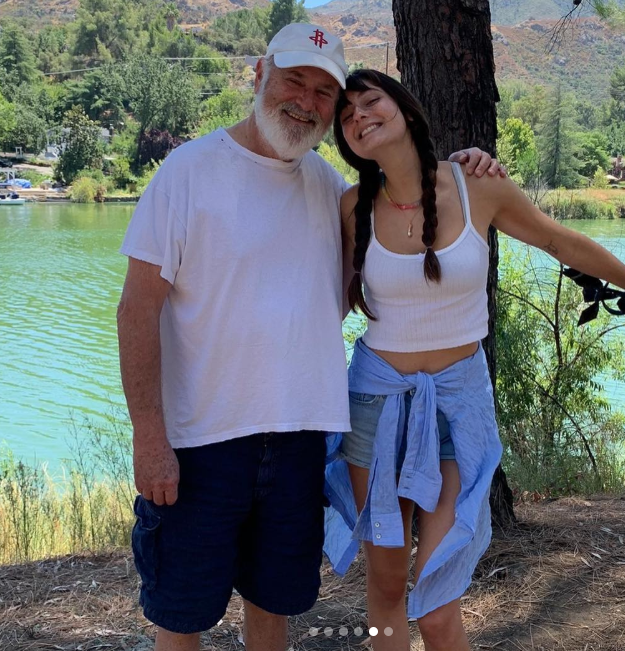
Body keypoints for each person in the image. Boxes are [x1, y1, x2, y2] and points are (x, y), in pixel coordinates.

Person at [116, 25, 503, 651]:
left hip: (300, 440)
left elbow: (395, 261)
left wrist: (462, 170)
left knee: (276, 606)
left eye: (326, 91)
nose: (307, 100)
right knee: (181, 614)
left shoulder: (331, 191)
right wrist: (149, 436)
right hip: (200, 444)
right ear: (260, 73)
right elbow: (136, 310)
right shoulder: (188, 171)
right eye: (295, 80)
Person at [323, 69, 625, 651]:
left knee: (438, 604)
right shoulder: (350, 207)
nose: (360, 116)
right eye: (346, 116)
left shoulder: (476, 187)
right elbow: (328, 308)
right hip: (376, 403)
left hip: (458, 404)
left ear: (406, 110)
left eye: (371, 102)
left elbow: (561, 242)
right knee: (386, 590)